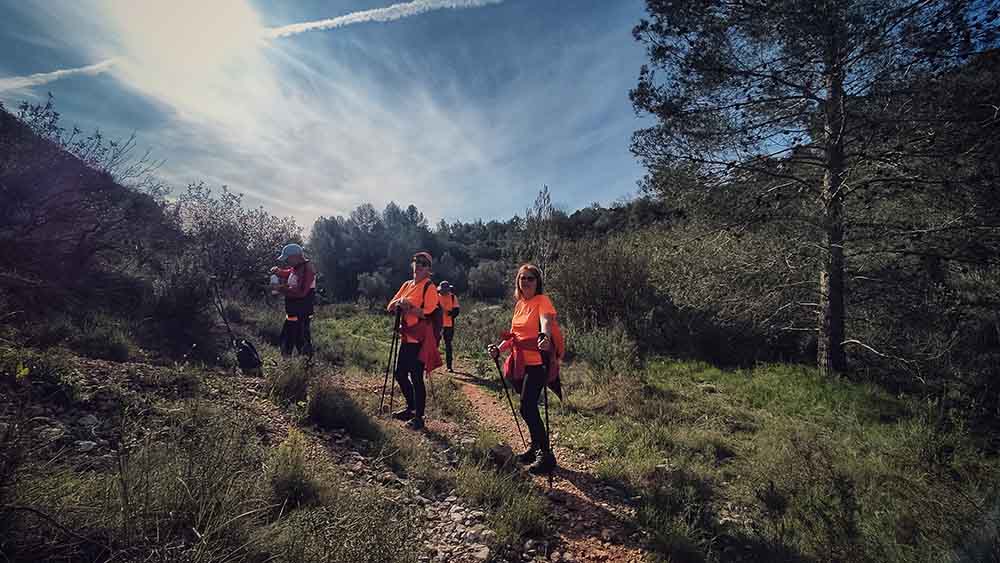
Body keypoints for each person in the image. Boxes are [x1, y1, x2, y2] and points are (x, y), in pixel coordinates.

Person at [488, 264, 562, 475]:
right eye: (523, 278)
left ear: (537, 282)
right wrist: (498, 349)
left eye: (531, 278)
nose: (526, 282)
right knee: (528, 407)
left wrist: (545, 337)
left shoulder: (542, 301)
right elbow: (514, 336)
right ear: (518, 282)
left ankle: (545, 455)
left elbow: (546, 321)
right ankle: (535, 447)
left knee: (527, 407)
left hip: (538, 363)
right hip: (521, 363)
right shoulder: (520, 304)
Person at [386, 251, 442, 430]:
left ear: (429, 269)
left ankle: (419, 417)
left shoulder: (429, 287)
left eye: (424, 263)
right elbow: (390, 306)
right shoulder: (406, 285)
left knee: (416, 377)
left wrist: (408, 306)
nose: (419, 265)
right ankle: (411, 408)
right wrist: (399, 304)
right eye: (417, 261)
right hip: (406, 336)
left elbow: (428, 312)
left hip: (420, 339)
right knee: (400, 374)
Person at [271, 243, 316, 358]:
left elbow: (301, 292)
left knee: (300, 340)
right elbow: (289, 273)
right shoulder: (297, 267)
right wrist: (279, 272)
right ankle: (289, 364)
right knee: (288, 338)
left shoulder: (307, 269)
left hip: (302, 313)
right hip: (293, 311)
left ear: (296, 256)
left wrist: (280, 289)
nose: (287, 261)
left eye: (288, 258)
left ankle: (304, 366)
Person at [437, 280, 460, 372]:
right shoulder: (436, 297)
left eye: (447, 289)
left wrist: (449, 313)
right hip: (437, 325)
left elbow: (457, 311)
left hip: (449, 325)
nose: (446, 291)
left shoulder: (453, 297)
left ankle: (449, 366)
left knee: (448, 346)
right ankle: (430, 364)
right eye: (444, 290)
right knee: (434, 344)